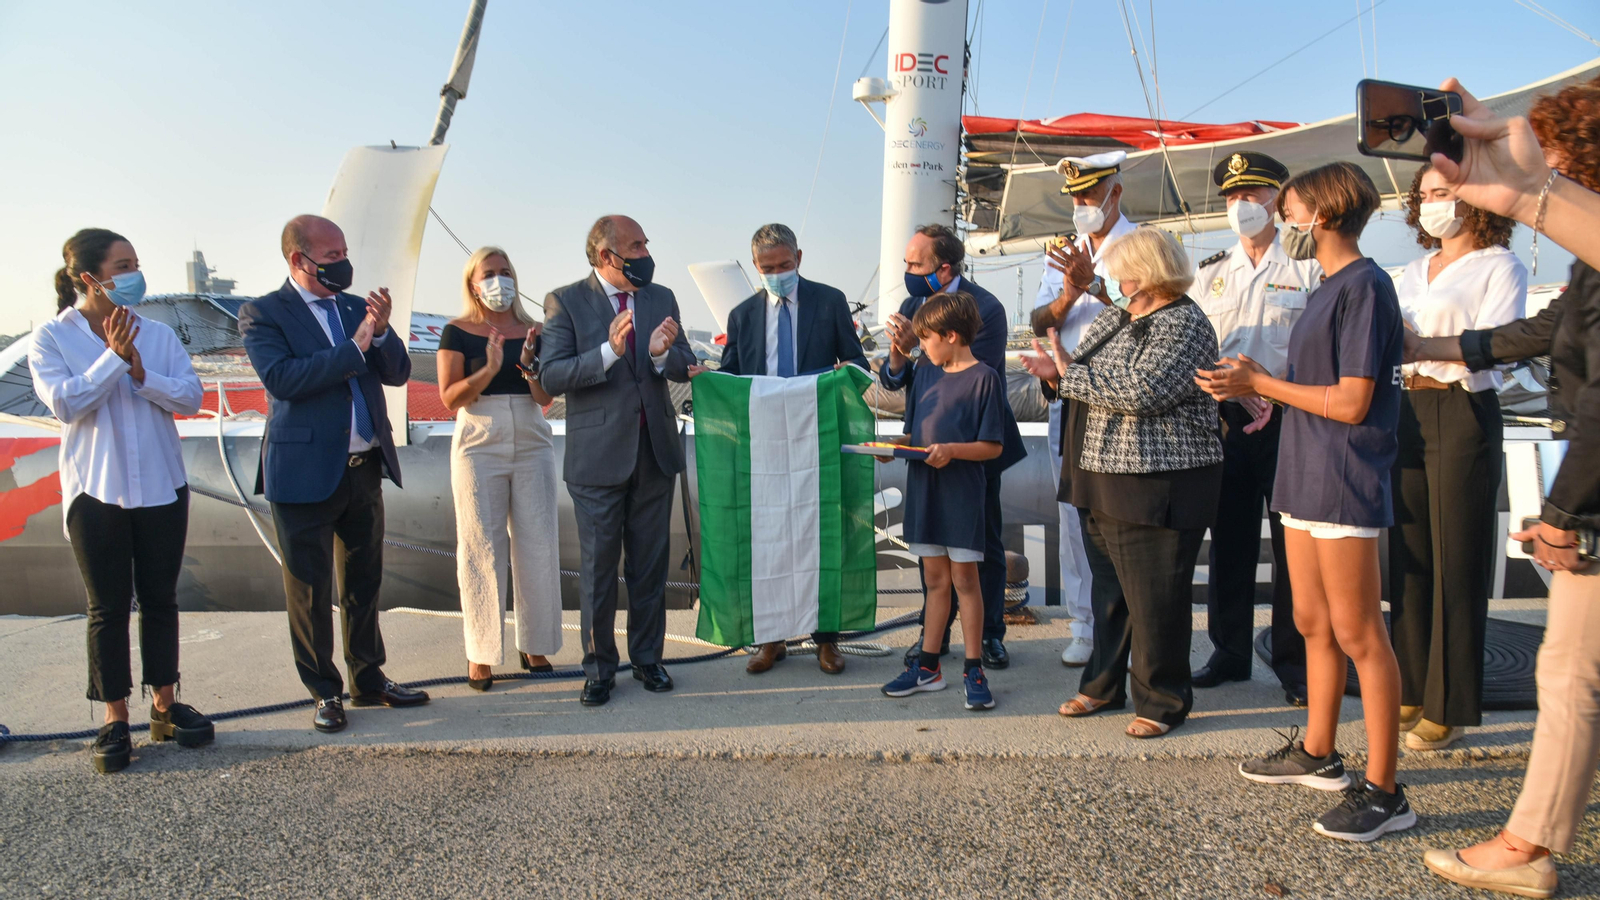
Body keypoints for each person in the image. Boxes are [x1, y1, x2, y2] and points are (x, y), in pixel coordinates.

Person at [1411, 75, 1600, 899]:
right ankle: (1529, 841)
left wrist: (1568, 511)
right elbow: (1546, 331)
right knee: (1568, 666)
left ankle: (1528, 846)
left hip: (1578, 489)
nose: (1542, 159)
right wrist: (1440, 347)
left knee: (1568, 670)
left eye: (1552, 147)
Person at [1198, 162, 1412, 842]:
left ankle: (1386, 790)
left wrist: (1264, 381)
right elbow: (1314, 382)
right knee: (1312, 619)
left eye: (1290, 208)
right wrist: (1262, 392)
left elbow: (1352, 399)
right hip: (1302, 467)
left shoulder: (1366, 287)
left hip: (1342, 475)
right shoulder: (1326, 286)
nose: (1283, 218)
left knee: (1359, 635)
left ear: (1320, 214)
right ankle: (1320, 752)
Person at [1019, 225, 1222, 739]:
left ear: (1147, 269)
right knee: (1109, 593)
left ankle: (1163, 700)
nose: (1111, 272)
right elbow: (1080, 372)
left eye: (1120, 264)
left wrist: (1065, 374)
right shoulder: (1115, 315)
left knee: (1155, 597)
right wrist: (1052, 373)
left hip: (1155, 480)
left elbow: (1144, 390)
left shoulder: (1184, 323)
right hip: (1098, 474)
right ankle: (1103, 685)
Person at [30, 228, 212, 773]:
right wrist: (111, 358)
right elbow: (66, 404)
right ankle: (113, 717)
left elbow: (191, 396)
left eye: (136, 262)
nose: (134, 273)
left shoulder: (157, 335)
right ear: (90, 277)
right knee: (107, 607)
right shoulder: (52, 338)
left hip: (161, 484)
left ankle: (163, 704)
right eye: (123, 264)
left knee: (161, 599)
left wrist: (139, 370)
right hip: (96, 489)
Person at [238, 214, 427, 734]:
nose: (343, 264)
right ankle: (325, 691)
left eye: (345, 252)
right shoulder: (263, 313)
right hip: (302, 473)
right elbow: (283, 379)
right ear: (298, 260)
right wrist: (353, 350)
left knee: (364, 584)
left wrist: (382, 332)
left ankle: (369, 678)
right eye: (331, 257)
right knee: (310, 590)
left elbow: (397, 373)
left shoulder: (352, 308)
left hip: (363, 468)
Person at [1389, 163, 1527, 752]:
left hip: (1461, 408)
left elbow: (1499, 347)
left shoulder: (1501, 266)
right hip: (1405, 408)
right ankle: (1412, 684)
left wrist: (1427, 345)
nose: (1429, 205)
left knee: (1457, 558)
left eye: (1441, 194)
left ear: (1474, 202)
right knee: (1409, 555)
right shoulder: (1409, 270)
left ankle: (1449, 703)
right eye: (1423, 196)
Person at [539, 215, 695, 707]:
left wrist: (656, 355)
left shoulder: (661, 297)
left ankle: (648, 659)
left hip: (654, 455)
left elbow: (682, 358)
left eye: (646, 242)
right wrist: (610, 350)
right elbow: (553, 374)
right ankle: (599, 669)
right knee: (600, 569)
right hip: (597, 461)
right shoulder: (564, 301)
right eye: (636, 245)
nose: (646, 252)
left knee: (649, 567)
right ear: (607, 256)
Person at [703, 223, 868, 675]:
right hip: (765, 447)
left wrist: (843, 373)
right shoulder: (742, 315)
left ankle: (827, 640)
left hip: (817, 437)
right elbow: (733, 376)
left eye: (785, 264)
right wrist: (708, 381)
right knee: (769, 539)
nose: (778, 273)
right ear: (755, 267)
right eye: (768, 268)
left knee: (822, 534)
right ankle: (770, 639)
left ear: (799, 256)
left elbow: (856, 360)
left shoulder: (829, 300)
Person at [1191, 151, 1321, 706]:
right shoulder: (1211, 273)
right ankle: (1230, 651)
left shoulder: (1308, 269)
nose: (1243, 207)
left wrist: (1273, 385)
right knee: (1231, 539)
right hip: (1227, 421)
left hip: (1290, 419)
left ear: (1279, 200)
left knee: (1294, 546)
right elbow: (1193, 345)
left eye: (1254, 196)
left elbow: (1324, 352)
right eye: (1233, 198)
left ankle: (1294, 661)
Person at [880, 223, 1023, 671]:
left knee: (985, 542)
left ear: (943, 270)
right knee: (935, 556)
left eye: (914, 264)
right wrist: (900, 355)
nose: (906, 271)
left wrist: (916, 349)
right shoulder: (911, 304)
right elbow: (898, 380)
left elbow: (965, 374)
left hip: (975, 441)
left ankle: (990, 636)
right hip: (926, 446)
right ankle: (934, 637)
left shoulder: (987, 309)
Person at [437, 246, 562, 691]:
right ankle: (482, 651)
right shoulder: (457, 331)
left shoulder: (535, 330)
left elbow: (544, 397)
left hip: (530, 433)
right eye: (488, 273)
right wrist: (489, 368)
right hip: (479, 436)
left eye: (505, 271)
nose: (498, 280)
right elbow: (450, 397)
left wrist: (526, 364)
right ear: (473, 283)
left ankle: (536, 643)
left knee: (538, 541)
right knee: (480, 546)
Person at [1031, 151, 1138, 667]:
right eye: (1075, 197)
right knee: (1074, 519)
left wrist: (1095, 284)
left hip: (1125, 404)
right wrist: (1070, 293)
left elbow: (1158, 312)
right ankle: (1084, 623)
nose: (1081, 206)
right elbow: (1038, 319)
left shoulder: (1146, 246)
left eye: (1090, 196)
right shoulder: (1061, 251)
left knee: (1123, 518)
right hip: (1071, 399)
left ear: (1115, 193)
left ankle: (1132, 625)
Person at [878, 291, 1005, 711]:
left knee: (966, 581)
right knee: (934, 581)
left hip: (962, 494)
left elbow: (991, 447)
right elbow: (916, 434)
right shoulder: (925, 372)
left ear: (951, 335)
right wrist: (893, 446)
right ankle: (929, 667)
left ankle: (973, 668)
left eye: (926, 337)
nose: (921, 346)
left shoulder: (985, 377)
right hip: (925, 491)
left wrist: (951, 450)